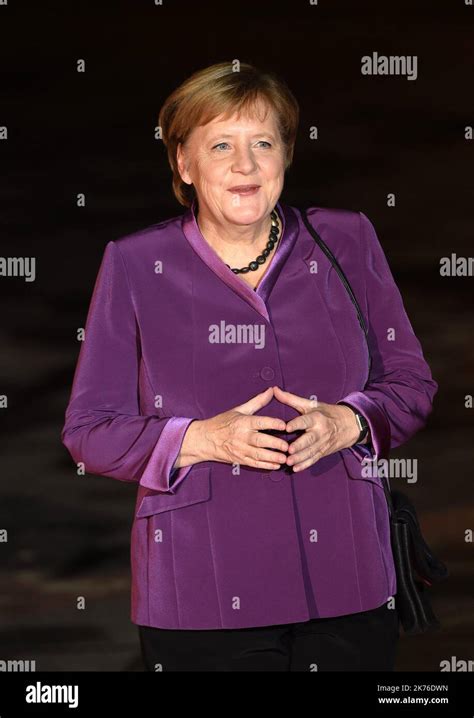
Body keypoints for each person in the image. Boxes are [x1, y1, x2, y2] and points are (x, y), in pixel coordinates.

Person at [61, 61, 438, 671]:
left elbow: (412, 384)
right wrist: (202, 438)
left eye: (263, 143)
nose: (246, 164)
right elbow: (88, 432)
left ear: (286, 156)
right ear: (184, 164)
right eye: (221, 146)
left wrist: (349, 421)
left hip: (349, 578)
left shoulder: (346, 240)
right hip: (201, 593)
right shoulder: (135, 264)